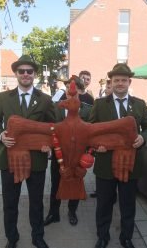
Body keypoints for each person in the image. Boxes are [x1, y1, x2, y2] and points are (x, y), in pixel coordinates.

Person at [0, 55, 56, 248]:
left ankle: (38, 236)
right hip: (9, 157)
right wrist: (1, 135)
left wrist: (49, 144)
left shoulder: (44, 99)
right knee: (10, 202)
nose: (25, 74)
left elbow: (53, 126)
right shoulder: (3, 98)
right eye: (22, 71)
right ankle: (12, 238)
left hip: (36, 158)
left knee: (36, 202)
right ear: (16, 74)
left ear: (34, 74)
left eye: (29, 71)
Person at [89, 63, 147, 248]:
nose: (119, 83)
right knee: (104, 204)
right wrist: (95, 146)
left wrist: (143, 137)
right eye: (116, 80)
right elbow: (91, 130)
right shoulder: (100, 104)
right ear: (111, 82)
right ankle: (102, 236)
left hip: (131, 163)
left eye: (123, 80)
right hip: (105, 162)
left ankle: (126, 237)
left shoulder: (140, 104)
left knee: (128, 204)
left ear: (129, 82)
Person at [44, 76, 92, 227]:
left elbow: (91, 133)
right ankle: (54, 212)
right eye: (67, 88)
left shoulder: (87, 109)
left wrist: (89, 154)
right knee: (55, 184)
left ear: (79, 90)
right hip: (59, 156)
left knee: (76, 182)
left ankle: (72, 211)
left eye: (75, 89)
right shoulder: (57, 106)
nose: (70, 92)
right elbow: (48, 127)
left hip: (78, 157)